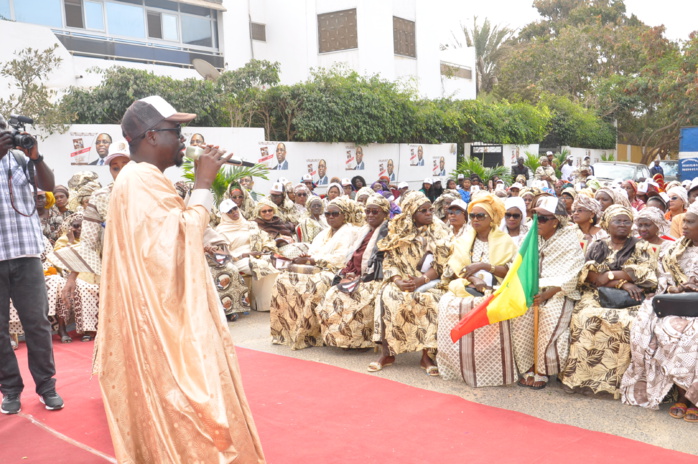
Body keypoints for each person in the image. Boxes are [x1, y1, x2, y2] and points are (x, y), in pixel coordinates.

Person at [95, 96, 265, 462]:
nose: (185, 140)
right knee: (192, 403)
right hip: (162, 325)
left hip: (154, 313)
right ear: (151, 136)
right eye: (177, 131)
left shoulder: (141, 179)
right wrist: (204, 182)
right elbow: (178, 242)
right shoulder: (140, 180)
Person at [0, 114, 64, 414]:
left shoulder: (20, 160)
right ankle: (10, 390)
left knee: (37, 324)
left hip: (26, 254)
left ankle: (46, 387)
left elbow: (48, 186)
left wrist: (35, 157)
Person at [560, 205, 658, 398]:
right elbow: (593, 277)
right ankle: (583, 380)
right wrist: (622, 282)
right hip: (596, 294)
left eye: (626, 221)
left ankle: (617, 384)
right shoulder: (598, 245)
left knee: (628, 323)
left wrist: (611, 276)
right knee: (585, 317)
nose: (622, 225)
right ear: (606, 224)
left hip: (632, 297)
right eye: (617, 221)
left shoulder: (641, 245)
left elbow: (644, 273)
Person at [621, 202, 698, 419]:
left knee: (694, 335)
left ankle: (692, 397)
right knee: (665, 330)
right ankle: (683, 396)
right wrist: (677, 288)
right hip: (678, 305)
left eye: (691, 222)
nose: (684, 226)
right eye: (685, 221)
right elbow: (664, 281)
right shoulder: (674, 249)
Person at [51, 143, 131, 343]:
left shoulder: (152, 192)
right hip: (114, 269)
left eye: (126, 165)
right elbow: (88, 242)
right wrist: (71, 278)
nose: (121, 171)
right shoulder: (101, 197)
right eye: (115, 167)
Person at [437, 194, 518, 386]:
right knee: (448, 303)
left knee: (483, 304)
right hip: (466, 285)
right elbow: (457, 267)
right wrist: (473, 278)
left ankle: (489, 369)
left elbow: (510, 270)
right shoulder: (465, 239)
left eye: (481, 216)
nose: (475, 219)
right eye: (472, 215)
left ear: (492, 219)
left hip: (497, 286)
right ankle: (457, 365)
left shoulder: (504, 241)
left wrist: (484, 266)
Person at [369, 191, 452, 375]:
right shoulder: (398, 229)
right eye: (423, 210)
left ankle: (426, 356)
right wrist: (398, 281)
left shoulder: (440, 230)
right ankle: (387, 353)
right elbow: (389, 261)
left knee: (430, 299)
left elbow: (443, 263)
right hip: (402, 278)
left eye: (430, 209)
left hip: (431, 280)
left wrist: (421, 280)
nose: (429, 213)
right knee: (387, 295)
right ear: (411, 213)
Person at [513, 197, 585, 390]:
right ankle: (528, 366)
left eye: (543, 218)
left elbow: (572, 274)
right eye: (535, 216)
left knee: (550, 319)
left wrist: (546, 294)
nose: (537, 221)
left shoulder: (569, 238)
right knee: (520, 319)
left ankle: (543, 370)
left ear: (556, 221)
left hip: (558, 292)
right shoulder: (529, 235)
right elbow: (517, 263)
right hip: (530, 289)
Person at [270, 199, 361, 350]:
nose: (330, 217)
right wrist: (306, 258)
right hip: (316, 266)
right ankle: (286, 332)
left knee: (314, 284)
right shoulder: (325, 232)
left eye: (335, 214)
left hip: (337, 270)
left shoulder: (351, 231)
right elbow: (314, 250)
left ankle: (309, 335)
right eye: (328, 214)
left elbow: (342, 258)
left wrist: (312, 260)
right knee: (282, 279)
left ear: (344, 215)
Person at [316, 195, 390, 349]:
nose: (370, 215)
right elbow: (352, 258)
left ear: (385, 213)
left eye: (375, 211)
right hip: (357, 276)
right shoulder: (365, 231)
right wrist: (348, 273)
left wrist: (361, 278)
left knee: (353, 297)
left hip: (375, 279)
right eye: (367, 211)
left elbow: (383, 263)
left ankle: (359, 341)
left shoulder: (388, 232)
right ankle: (339, 339)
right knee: (332, 294)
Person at [216, 199, 279, 313]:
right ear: (224, 215)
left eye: (235, 208)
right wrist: (246, 254)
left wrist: (265, 248)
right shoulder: (221, 231)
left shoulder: (249, 224)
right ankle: (263, 304)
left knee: (276, 261)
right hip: (238, 259)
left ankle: (271, 302)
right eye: (229, 211)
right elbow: (225, 254)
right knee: (261, 266)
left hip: (257, 254)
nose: (234, 212)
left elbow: (265, 238)